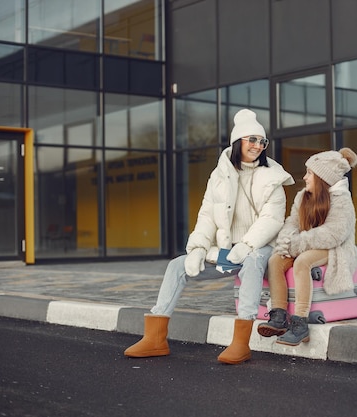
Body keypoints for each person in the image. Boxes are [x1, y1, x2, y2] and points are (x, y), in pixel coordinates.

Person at [124, 109, 294, 364]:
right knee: (177, 266)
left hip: (261, 245)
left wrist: (246, 245)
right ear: (238, 142)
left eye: (262, 141)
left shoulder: (273, 177)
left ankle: (241, 343)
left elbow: (271, 220)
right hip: (227, 249)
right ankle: (155, 338)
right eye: (252, 140)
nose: (258, 146)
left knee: (253, 260)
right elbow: (206, 216)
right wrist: (198, 248)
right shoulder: (219, 176)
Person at [257, 148, 357, 346]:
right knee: (275, 260)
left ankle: (300, 323)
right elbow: (291, 223)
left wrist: (297, 244)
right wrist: (287, 241)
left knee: (303, 262)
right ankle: (279, 316)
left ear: (322, 177)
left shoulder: (341, 199)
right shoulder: (302, 197)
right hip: (304, 244)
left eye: (309, 173)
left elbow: (333, 234)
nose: (304, 177)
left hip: (335, 248)